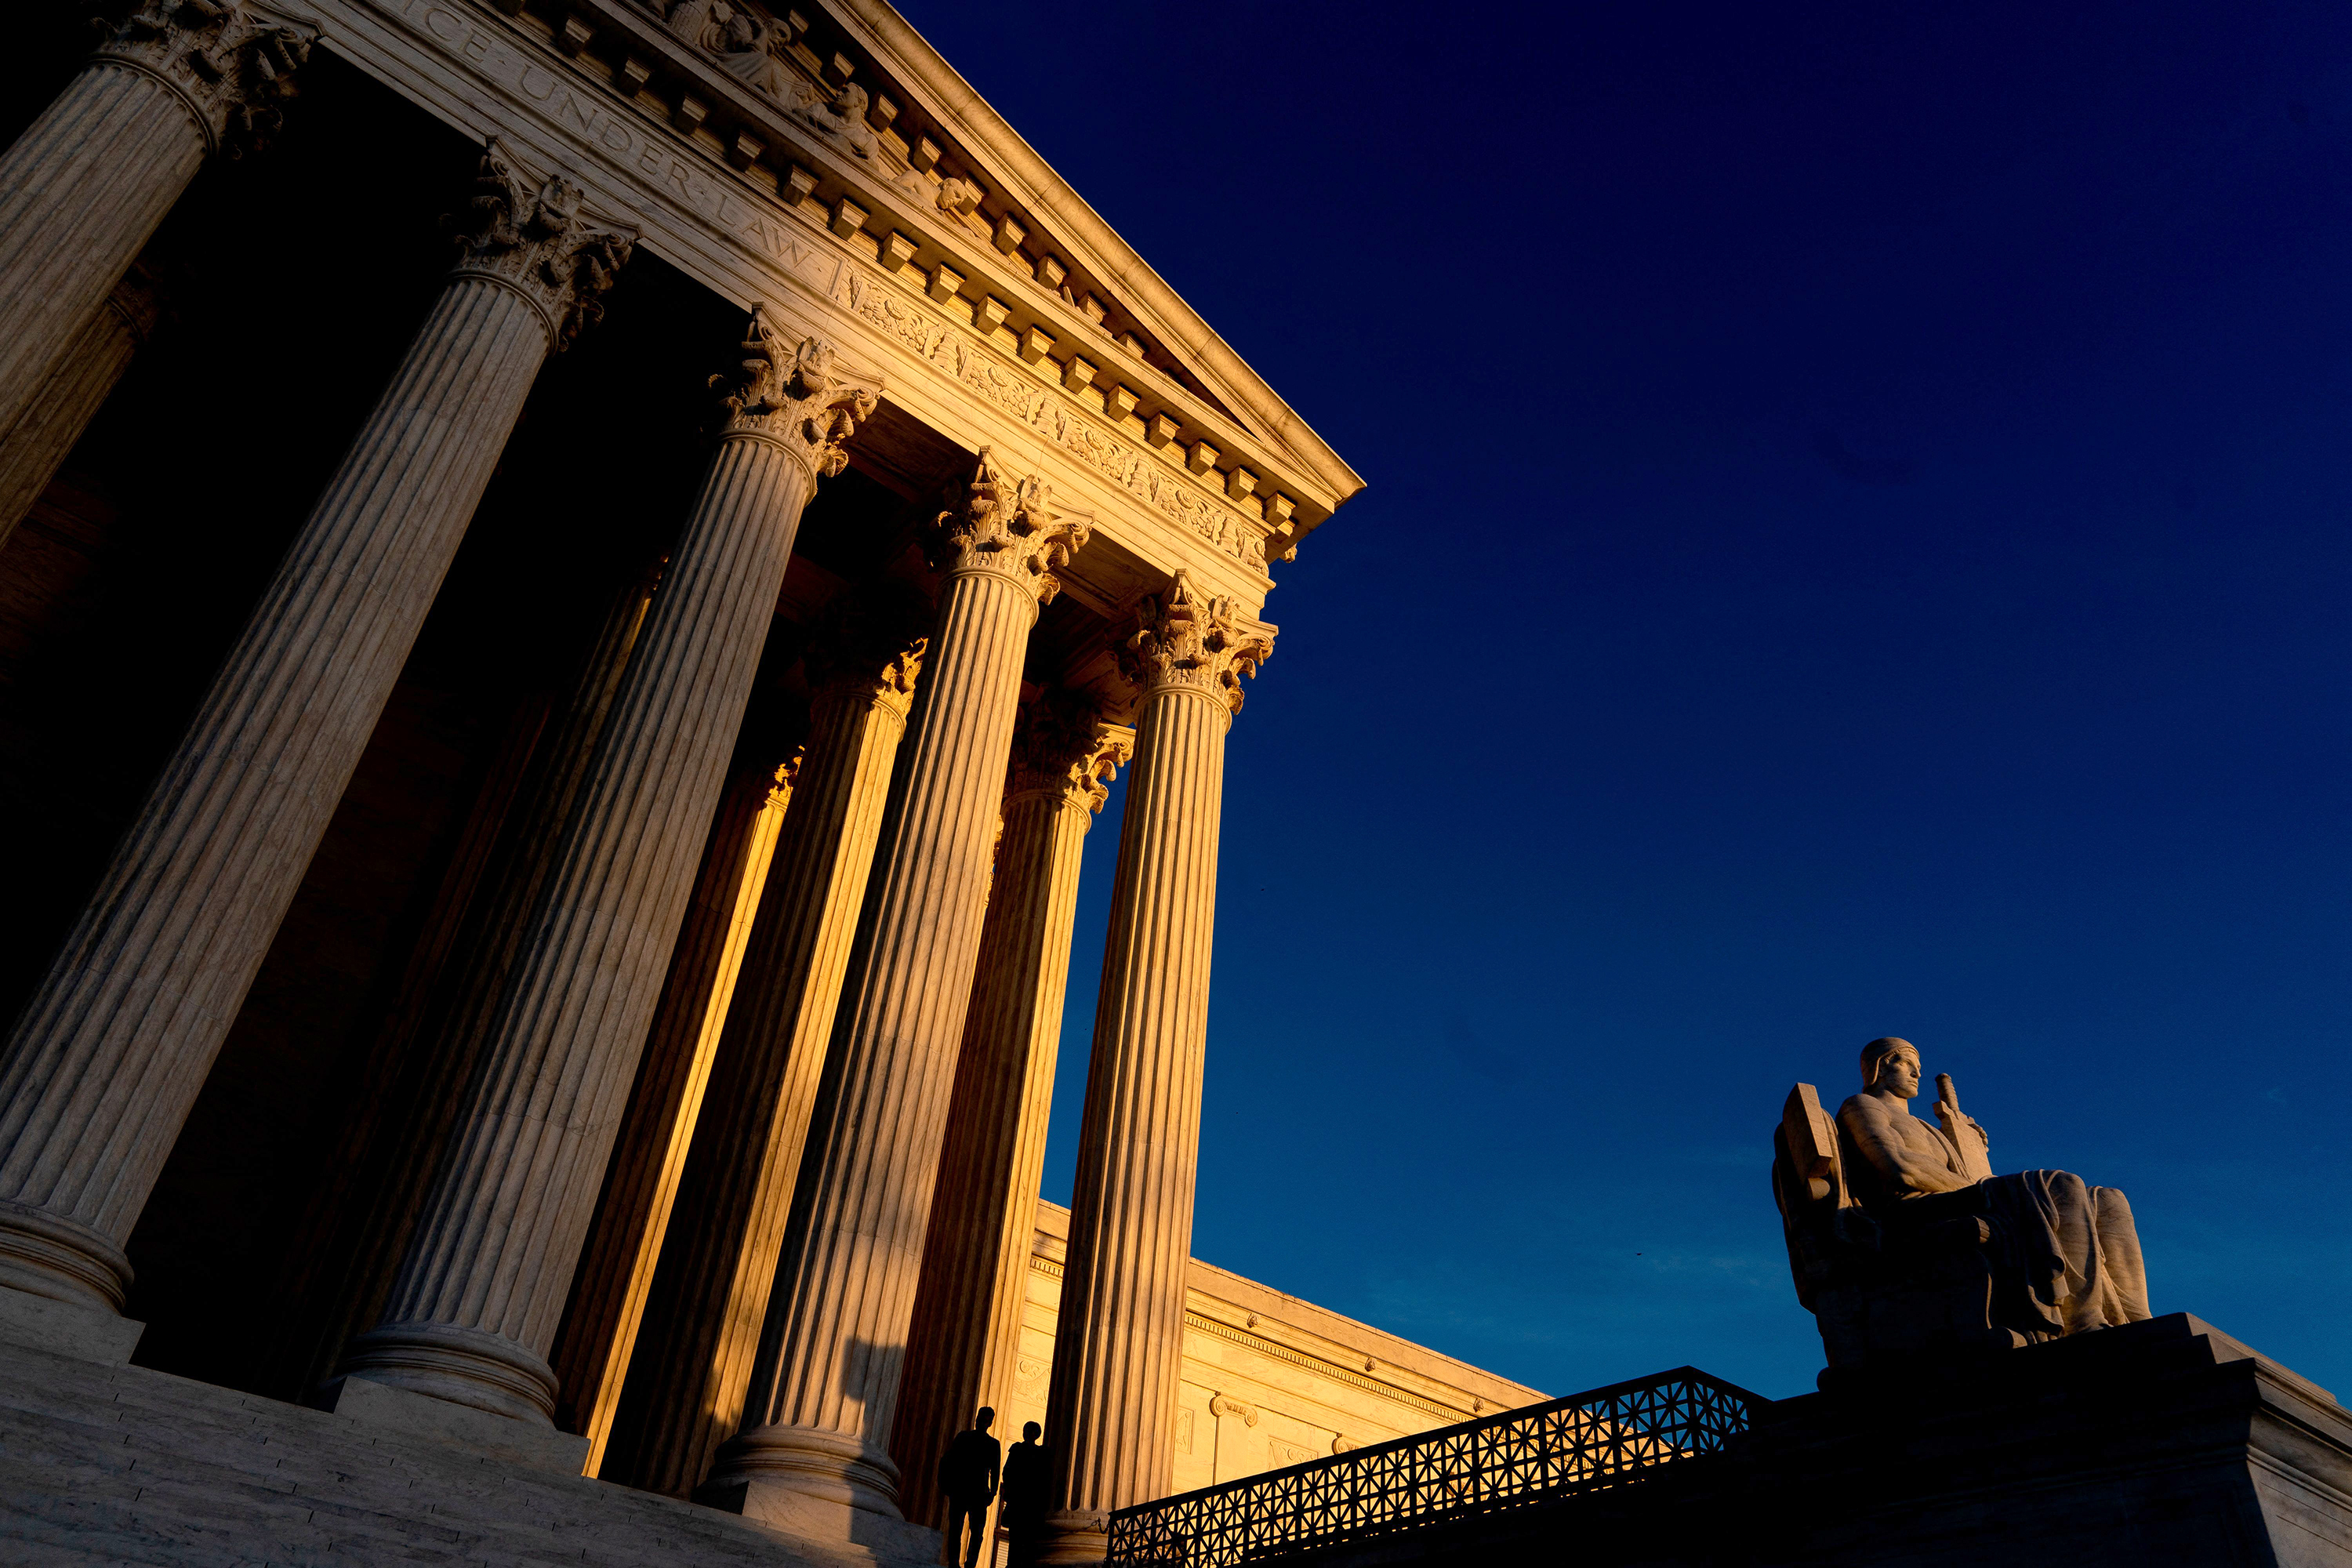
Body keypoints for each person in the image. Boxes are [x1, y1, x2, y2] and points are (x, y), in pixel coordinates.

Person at [1836, 1036, 2151, 1336]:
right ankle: (2083, 1321)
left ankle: (2137, 1319)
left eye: (1917, 1065)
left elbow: (1954, 1176)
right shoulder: (1862, 1105)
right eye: (1905, 1063)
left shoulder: (1926, 1127)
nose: (1917, 1072)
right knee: (2061, 1185)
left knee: (2110, 1200)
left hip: (1956, 1198)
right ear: (1879, 1066)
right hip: (1911, 1210)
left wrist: (1967, 1146)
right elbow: (1899, 1168)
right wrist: (1989, 1189)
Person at [938, 1406, 1001, 1568]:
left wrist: (992, 1493)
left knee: (976, 1533)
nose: (981, 1422)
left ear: (990, 1423)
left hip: (978, 1493)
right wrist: (946, 1484)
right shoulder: (964, 1437)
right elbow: (949, 1460)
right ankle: (954, 1562)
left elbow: (995, 1470)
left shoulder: (993, 1444)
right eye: (980, 1418)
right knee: (956, 1530)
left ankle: (970, 1563)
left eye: (985, 1420)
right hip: (961, 1490)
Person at [997, 1421, 1048, 1568]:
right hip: (1027, 1504)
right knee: (1022, 1540)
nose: (1024, 1433)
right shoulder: (1039, 1453)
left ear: (1034, 1434)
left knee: (1019, 1540)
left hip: (1023, 1503)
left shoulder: (1021, 1450)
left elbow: (1007, 1473)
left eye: (1028, 1431)